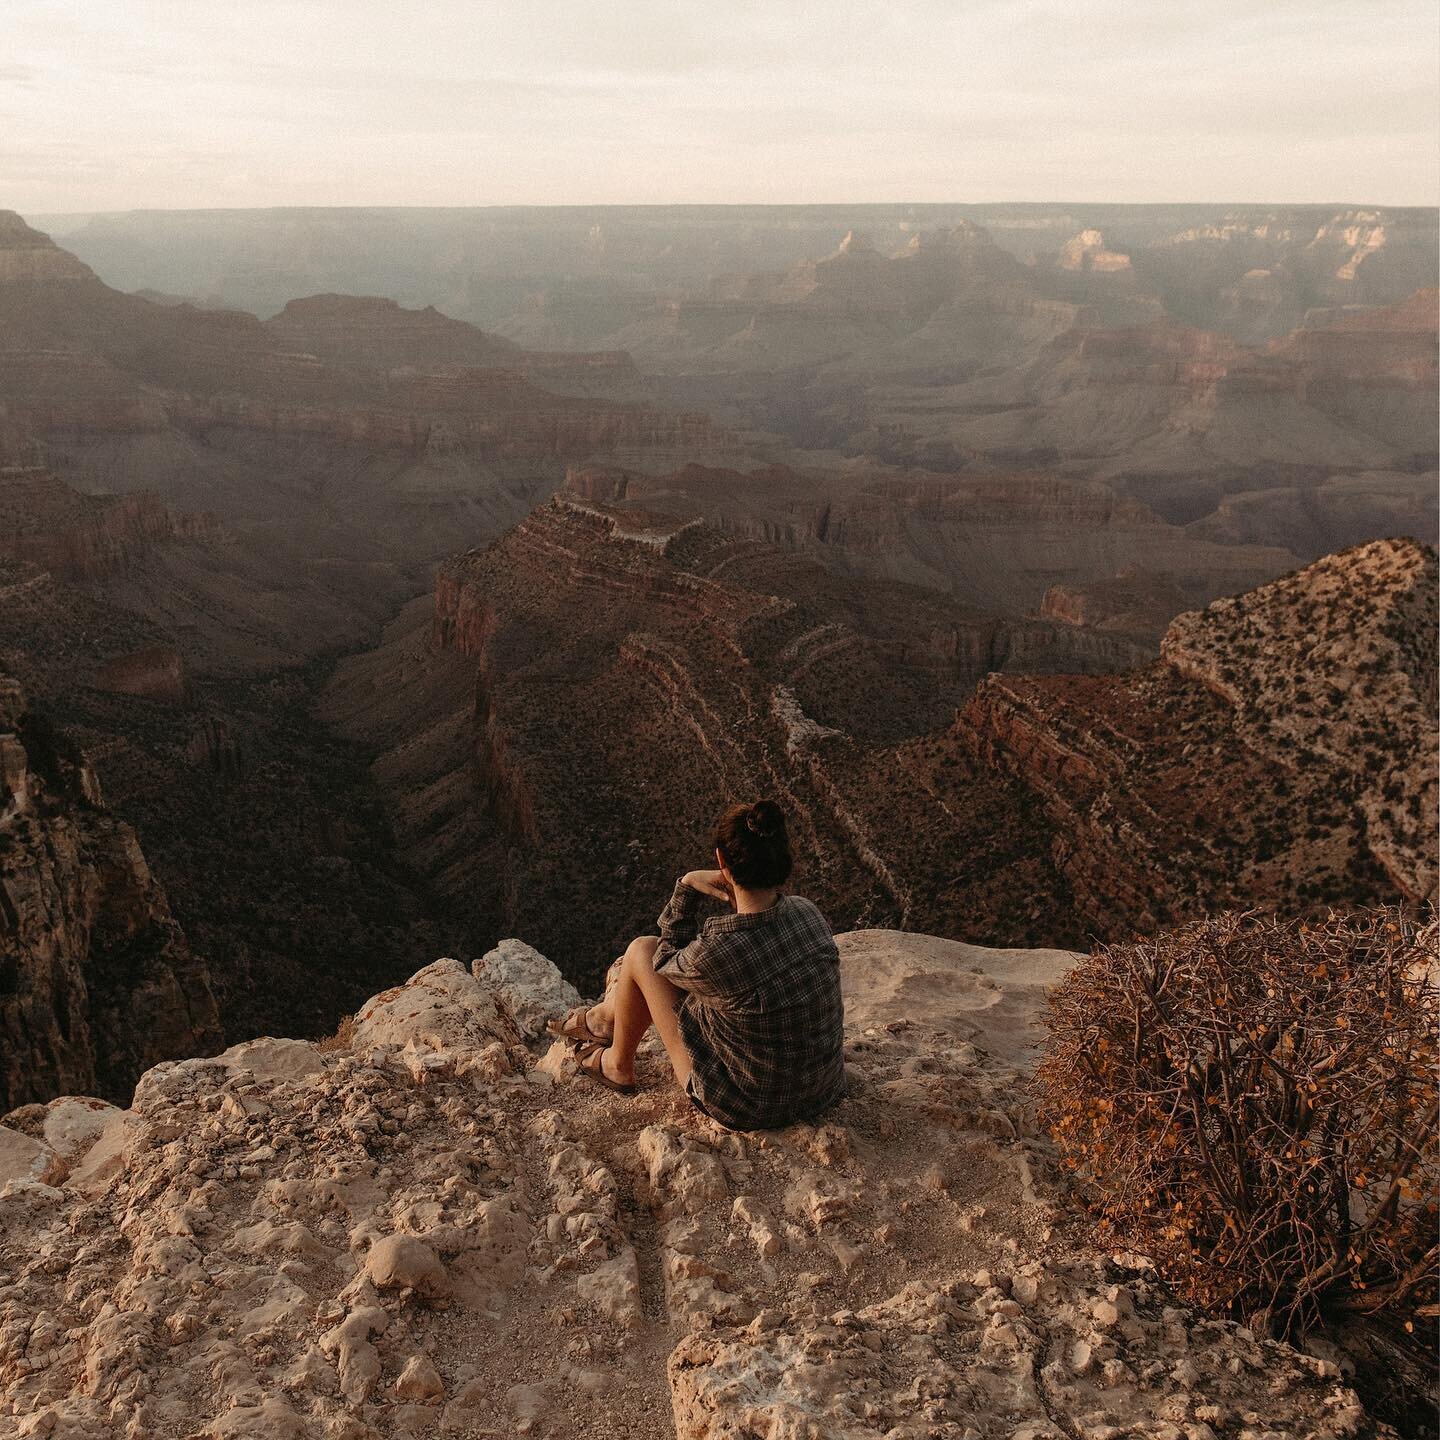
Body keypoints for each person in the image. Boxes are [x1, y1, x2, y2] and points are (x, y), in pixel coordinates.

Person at [550, 799, 845, 1131]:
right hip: (823, 1088)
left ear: (721, 862)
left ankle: (616, 1061)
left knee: (641, 951)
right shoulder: (809, 914)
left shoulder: (718, 954)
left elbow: (663, 962)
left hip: (749, 1108)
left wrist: (687, 887)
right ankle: (601, 1019)